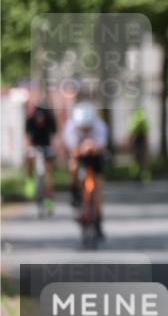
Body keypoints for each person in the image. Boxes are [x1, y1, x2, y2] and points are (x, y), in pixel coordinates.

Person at [63, 101, 109, 240]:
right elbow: (71, 148)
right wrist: (80, 149)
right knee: (73, 166)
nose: (85, 131)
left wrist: (93, 147)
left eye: (87, 128)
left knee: (99, 189)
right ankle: (75, 192)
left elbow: (101, 145)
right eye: (82, 128)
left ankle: (98, 222)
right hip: (79, 156)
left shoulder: (100, 126)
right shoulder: (70, 127)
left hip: (95, 157)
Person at [24, 102, 57, 215]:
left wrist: (54, 150)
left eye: (41, 117)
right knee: (29, 159)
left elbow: (54, 137)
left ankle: (49, 200)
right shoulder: (30, 122)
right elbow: (27, 138)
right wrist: (29, 150)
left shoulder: (50, 121)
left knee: (48, 174)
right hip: (34, 146)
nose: (40, 120)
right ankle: (30, 181)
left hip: (46, 147)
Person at [129, 107, 150, 182]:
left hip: (137, 140)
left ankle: (135, 174)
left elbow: (132, 131)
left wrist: (130, 142)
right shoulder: (144, 118)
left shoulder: (135, 118)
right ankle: (145, 176)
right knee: (144, 159)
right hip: (142, 140)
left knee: (135, 159)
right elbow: (147, 131)